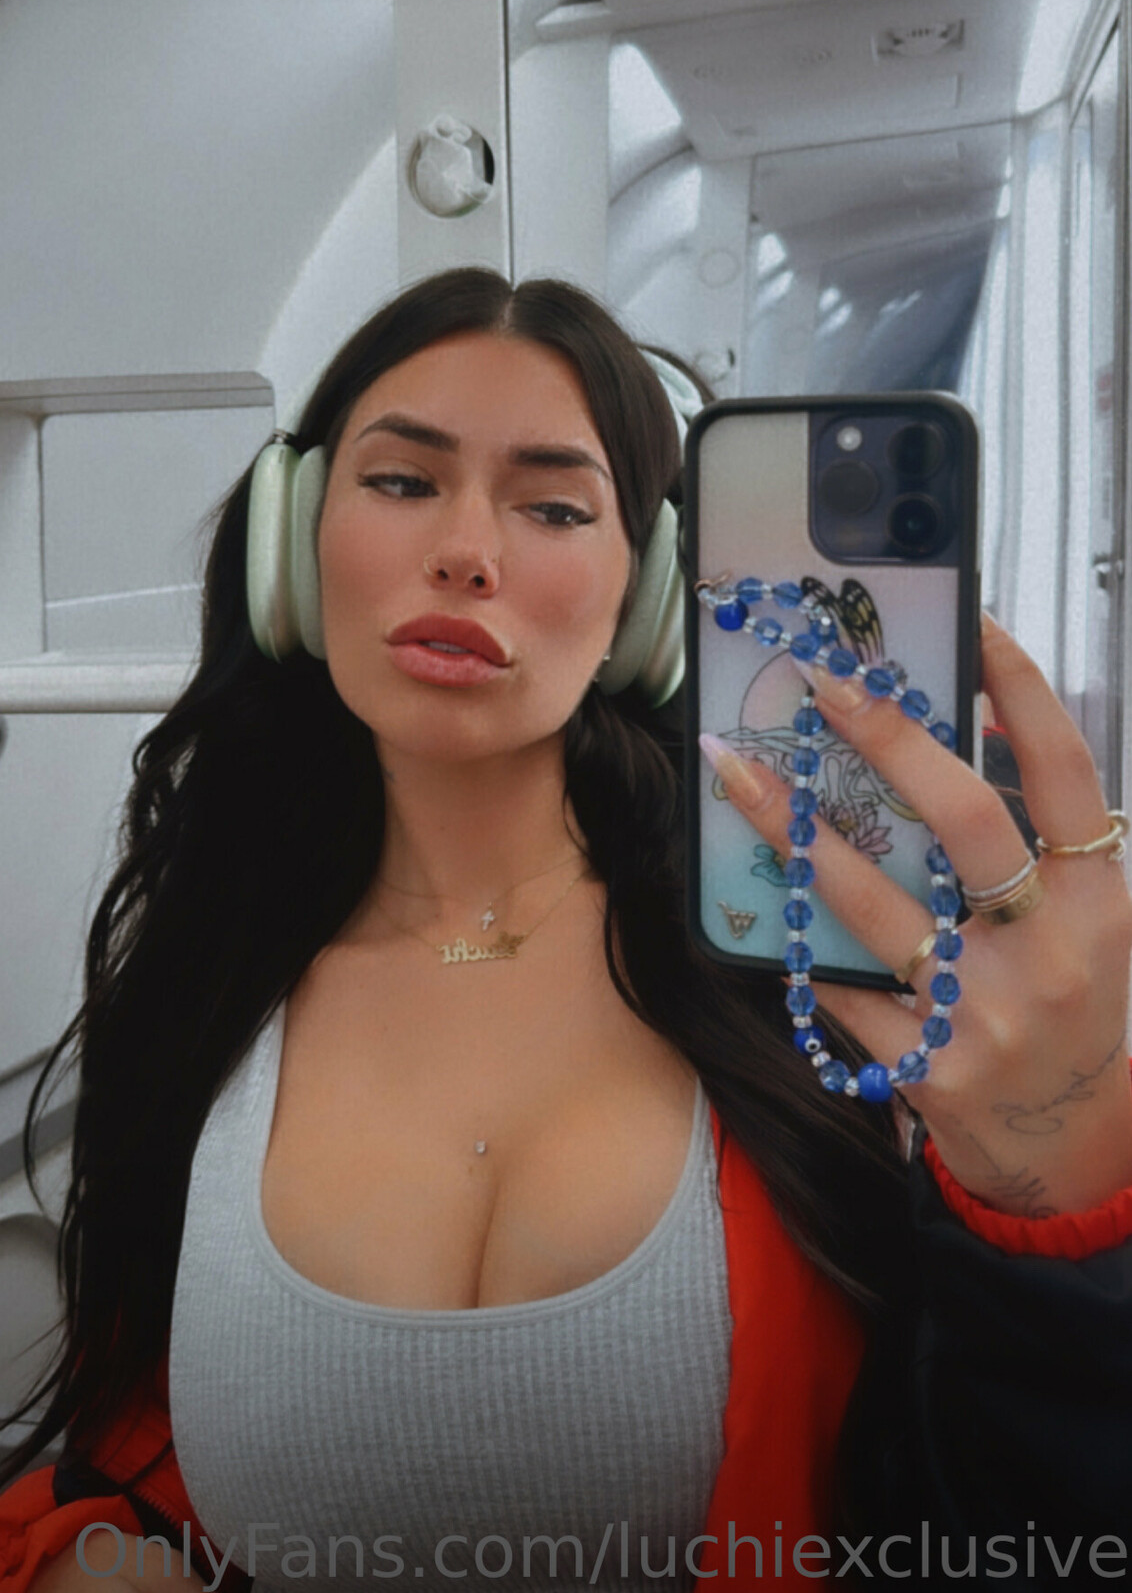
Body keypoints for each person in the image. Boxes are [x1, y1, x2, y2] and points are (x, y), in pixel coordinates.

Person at [1, 268, 1131, 1593]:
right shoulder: (208, 975)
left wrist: (1057, 1179)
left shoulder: (806, 983)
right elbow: (141, 1448)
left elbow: (1023, 1507)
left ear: (645, 597)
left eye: (552, 507)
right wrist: (94, 1555)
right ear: (294, 540)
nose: (467, 551)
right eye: (402, 481)